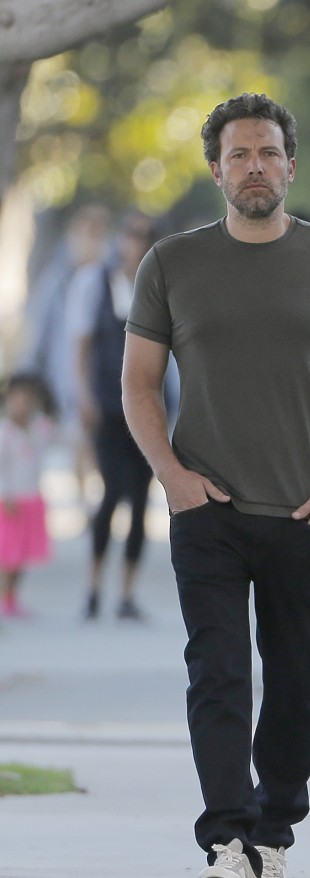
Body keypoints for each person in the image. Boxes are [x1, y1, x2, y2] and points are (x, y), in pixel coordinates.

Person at [121, 93, 310, 878]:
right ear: (216, 171)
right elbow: (137, 384)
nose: (255, 167)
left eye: (268, 152)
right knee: (219, 673)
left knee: (299, 679)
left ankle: (275, 835)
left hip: (306, 510)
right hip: (209, 511)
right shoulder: (171, 263)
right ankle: (228, 840)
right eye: (238, 155)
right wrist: (173, 478)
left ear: (290, 165)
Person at [70, 212, 159, 620]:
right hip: (108, 402)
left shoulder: (158, 283)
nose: (135, 242)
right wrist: (83, 395)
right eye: (130, 233)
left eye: (143, 236)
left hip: (150, 406)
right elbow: (82, 343)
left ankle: (125, 593)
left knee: (140, 500)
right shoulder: (96, 282)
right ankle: (92, 586)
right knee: (111, 494)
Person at [19, 203, 111, 501]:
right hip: (65, 377)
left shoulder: (111, 279)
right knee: (78, 441)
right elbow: (40, 332)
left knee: (96, 443)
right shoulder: (56, 280)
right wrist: (30, 375)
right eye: (83, 233)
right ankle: (87, 504)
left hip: (104, 377)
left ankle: (97, 503)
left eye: (96, 234)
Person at [0, 373, 54, 617]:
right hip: (10, 502)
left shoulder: (39, 428)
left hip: (31, 498)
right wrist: (6, 494)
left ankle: (11, 599)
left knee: (22, 556)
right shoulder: (5, 434)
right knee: (8, 556)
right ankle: (3, 597)